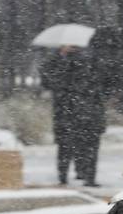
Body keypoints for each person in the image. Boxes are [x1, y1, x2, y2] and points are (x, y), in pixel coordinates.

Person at [41, 45, 106, 186]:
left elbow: (48, 80)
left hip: (72, 114)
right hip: (81, 114)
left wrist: (59, 56)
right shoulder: (90, 63)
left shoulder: (63, 66)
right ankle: (85, 176)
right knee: (85, 147)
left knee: (68, 147)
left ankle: (68, 176)